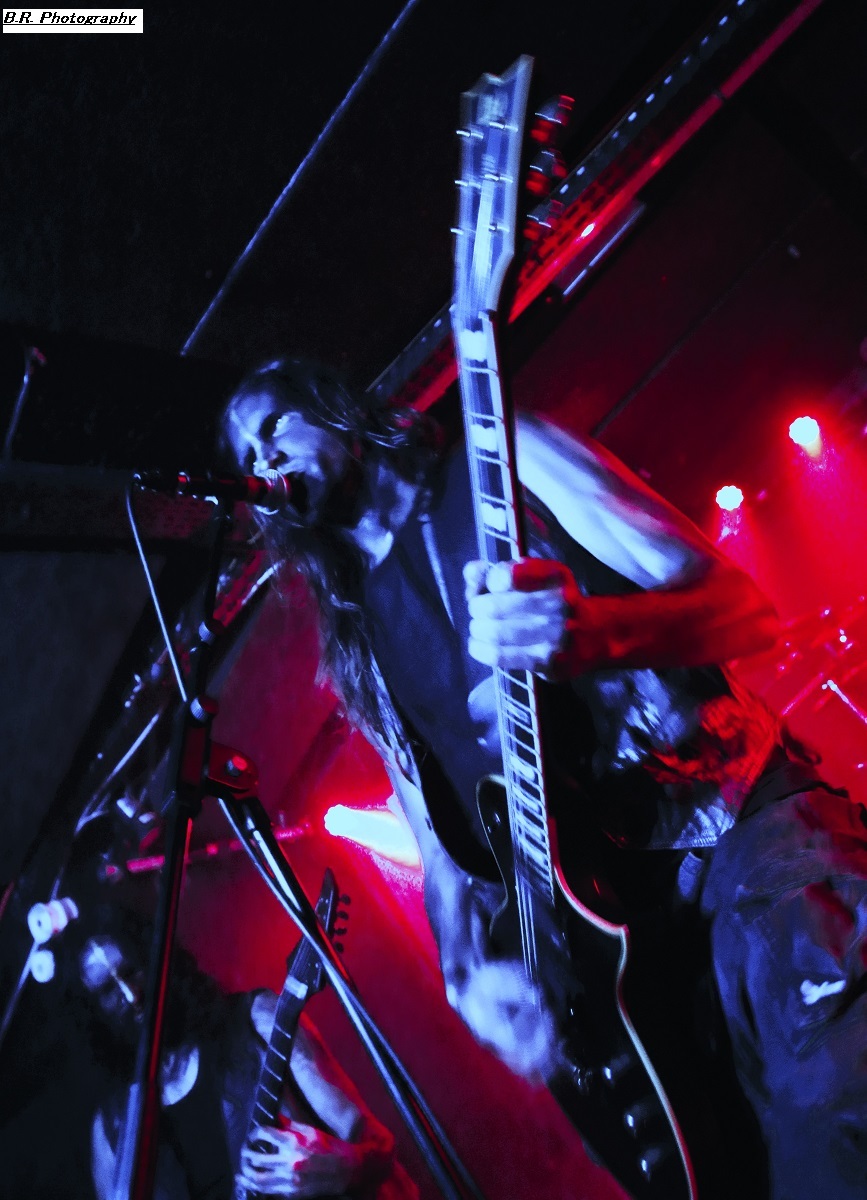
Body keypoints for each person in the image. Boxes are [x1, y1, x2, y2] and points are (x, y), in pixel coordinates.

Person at [221, 357, 867, 1200]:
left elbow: (743, 609)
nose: (264, 460)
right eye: (247, 456)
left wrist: (598, 632)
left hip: (738, 844)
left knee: (839, 1120)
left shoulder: (503, 460)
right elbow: (440, 854)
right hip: (631, 980)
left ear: (334, 407)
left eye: (275, 426)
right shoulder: (361, 642)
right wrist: (463, 976)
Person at [74, 907, 416, 1200]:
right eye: (108, 989)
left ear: (156, 960)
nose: (131, 995)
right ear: (93, 1013)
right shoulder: (112, 1130)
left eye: (132, 971)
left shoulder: (256, 1021)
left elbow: (377, 1145)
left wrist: (339, 1168)